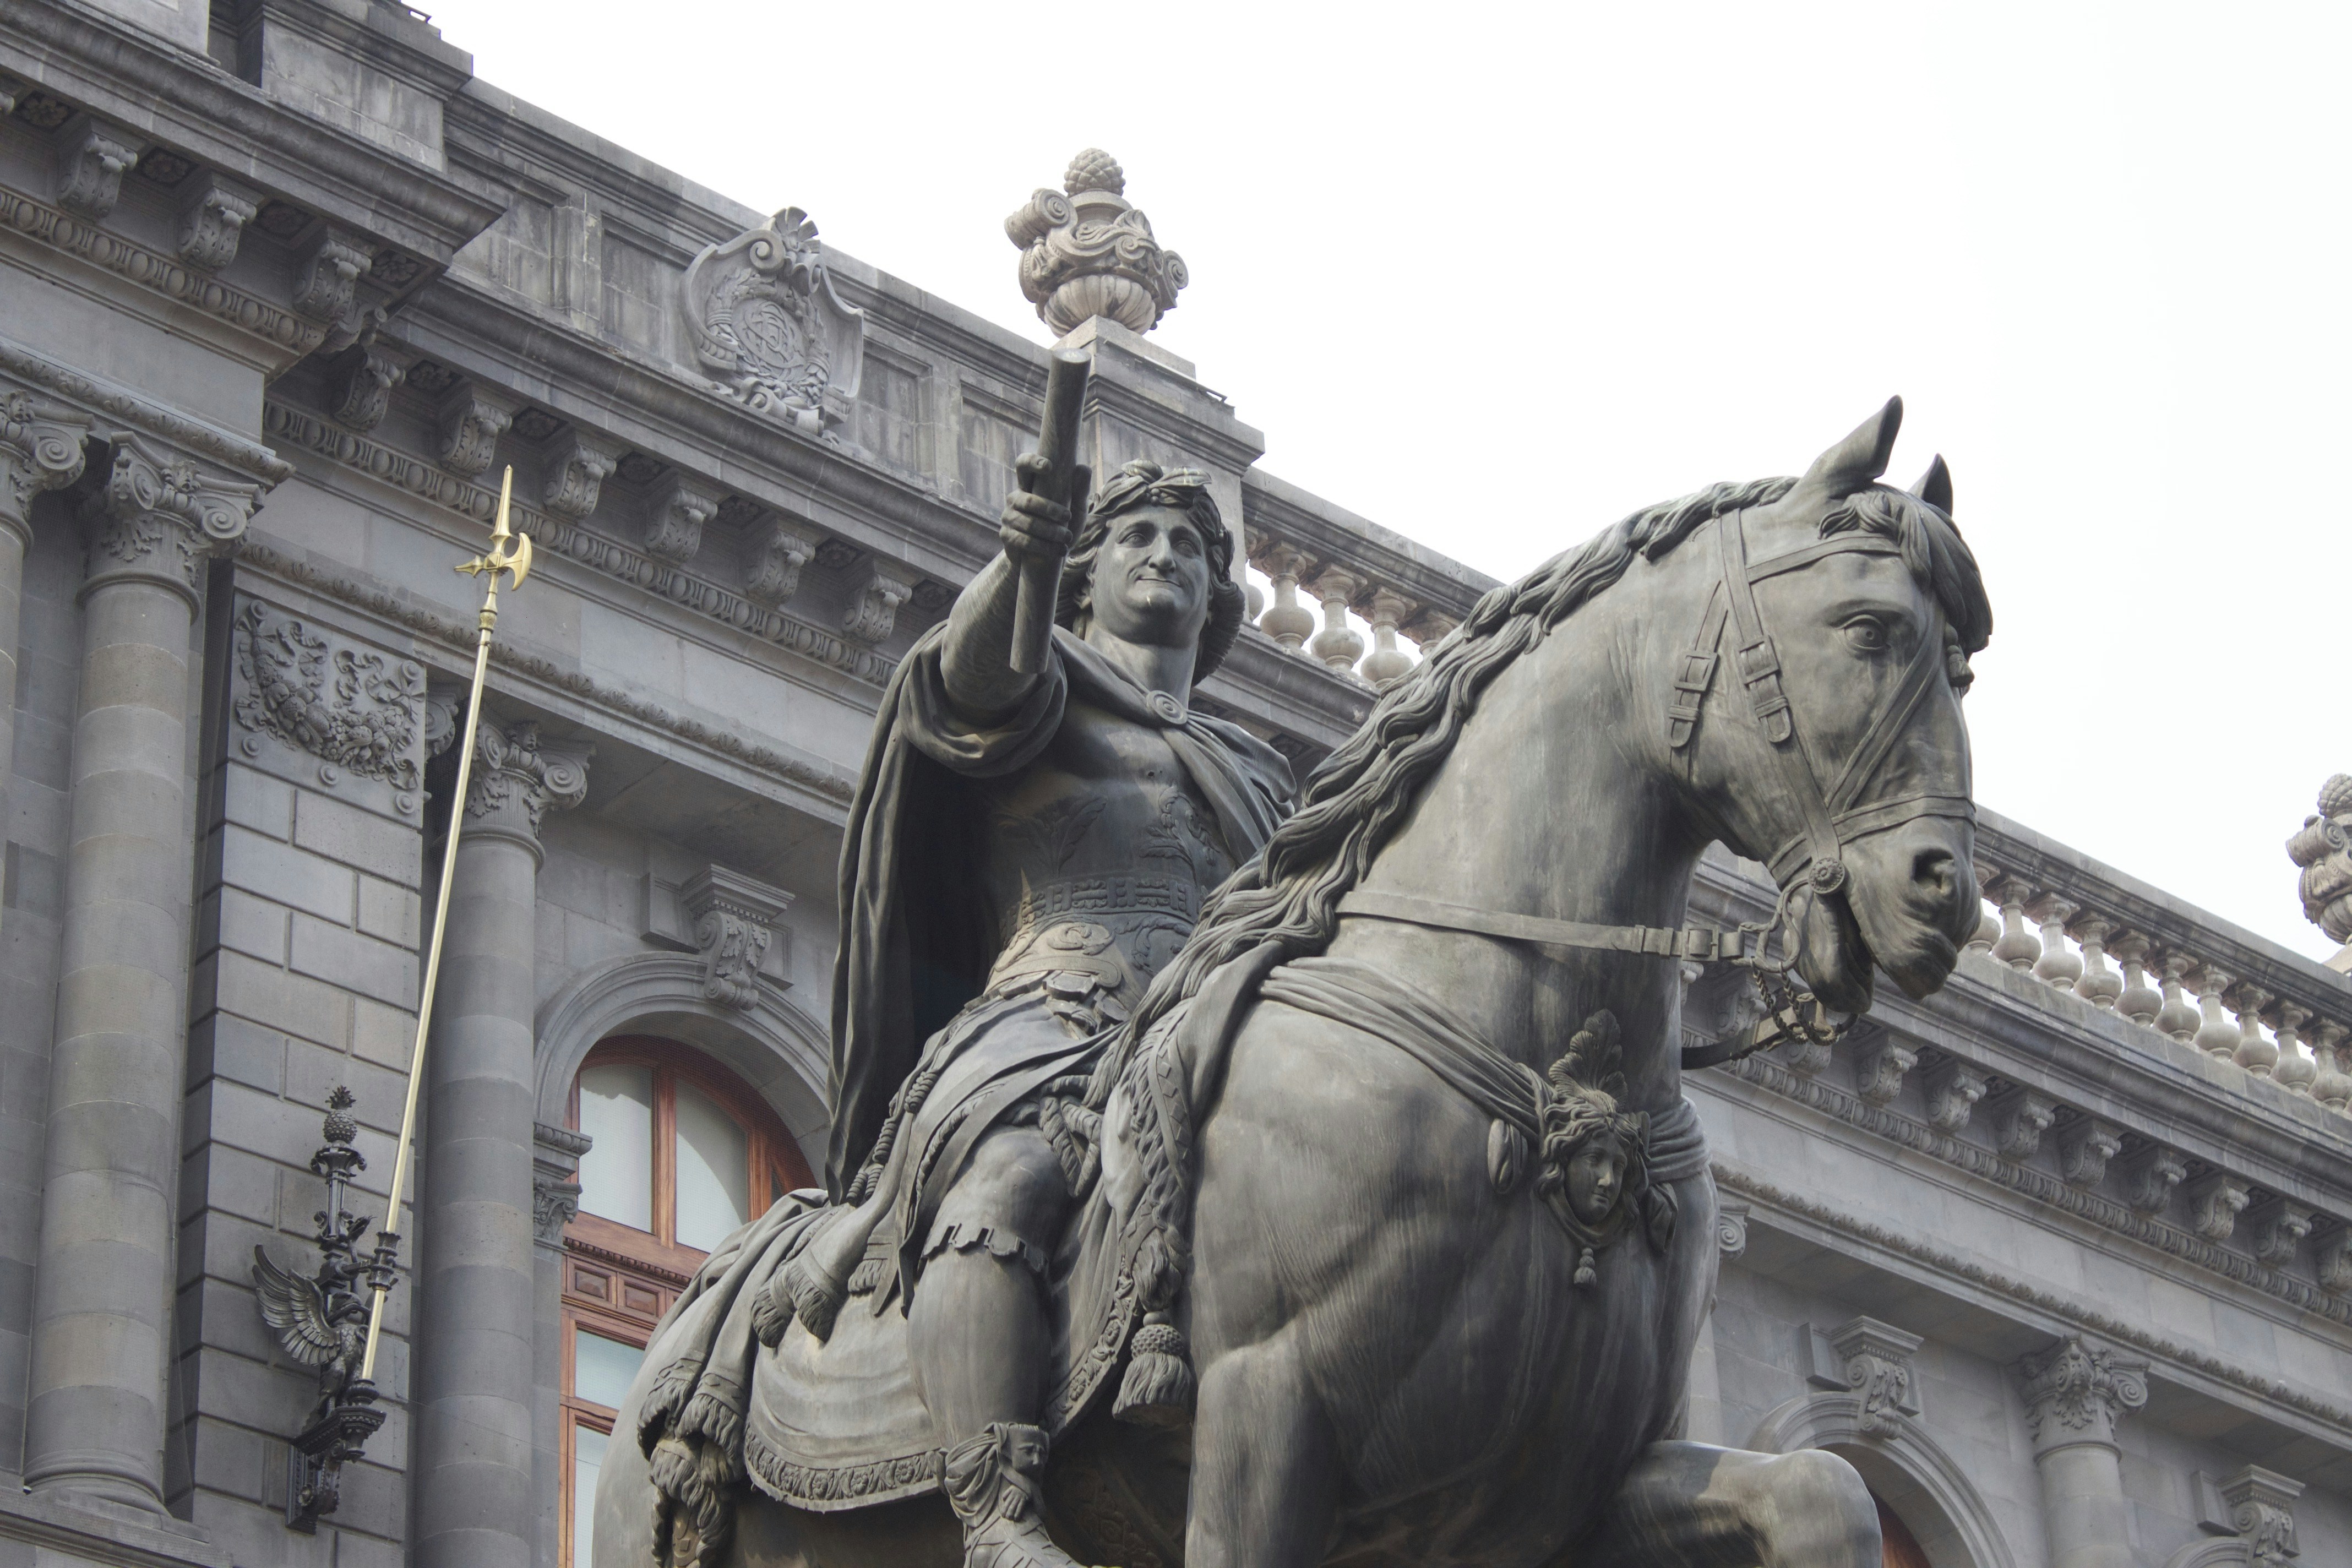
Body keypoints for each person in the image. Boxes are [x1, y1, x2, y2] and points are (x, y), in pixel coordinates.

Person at [785, 456, 1294, 1568]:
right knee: (1011, 1176)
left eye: (1190, 545)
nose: (1165, 555)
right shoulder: (1038, 688)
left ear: (1216, 596)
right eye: (1137, 536)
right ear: (1083, 575)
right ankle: (997, 1511)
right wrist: (1021, 556)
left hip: (1210, 1033)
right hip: (1048, 1012)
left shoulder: (1258, 770)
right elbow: (968, 682)